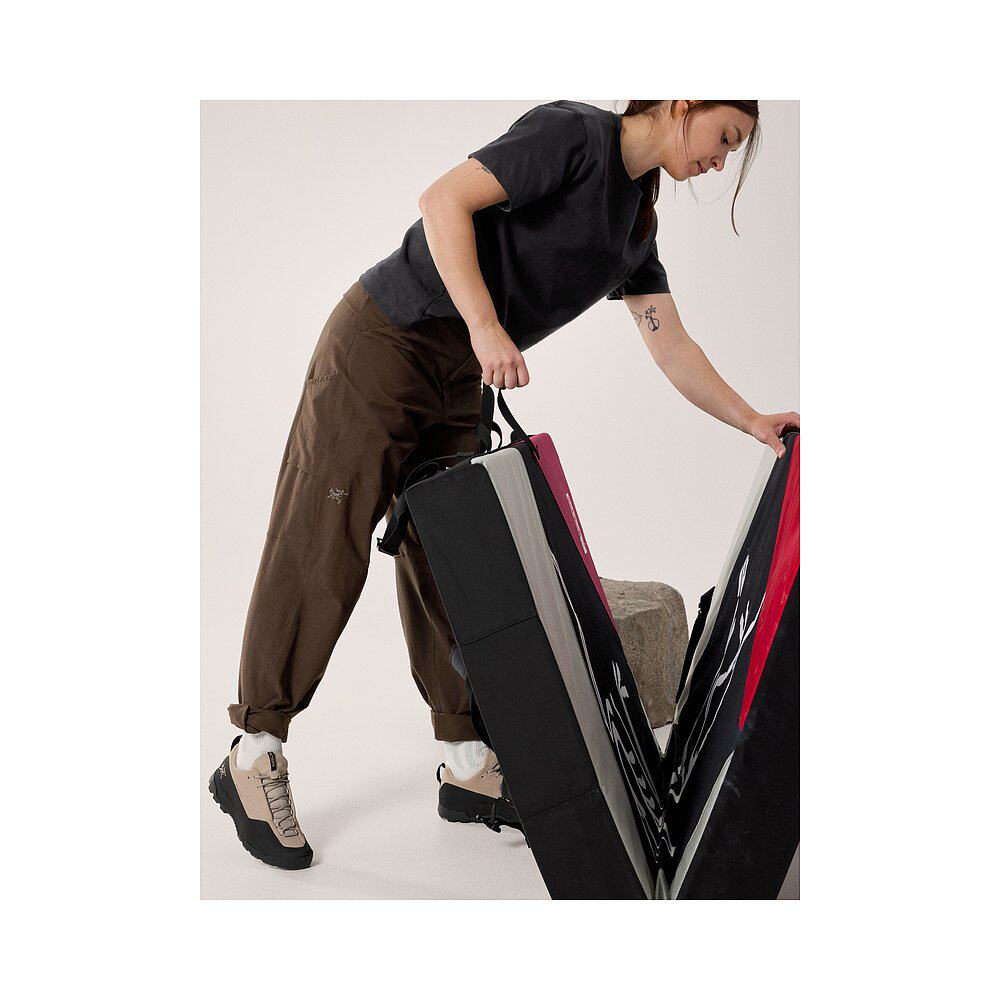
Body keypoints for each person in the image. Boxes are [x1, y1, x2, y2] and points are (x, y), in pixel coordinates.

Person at [208, 99, 800, 870]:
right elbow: (443, 200)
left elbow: (671, 345)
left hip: (460, 377)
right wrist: (488, 327)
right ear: (683, 103)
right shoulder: (575, 136)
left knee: (447, 560)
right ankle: (253, 750)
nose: (720, 160)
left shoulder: (636, 227)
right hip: (388, 339)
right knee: (324, 542)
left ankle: (463, 764)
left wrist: (750, 418)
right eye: (725, 137)